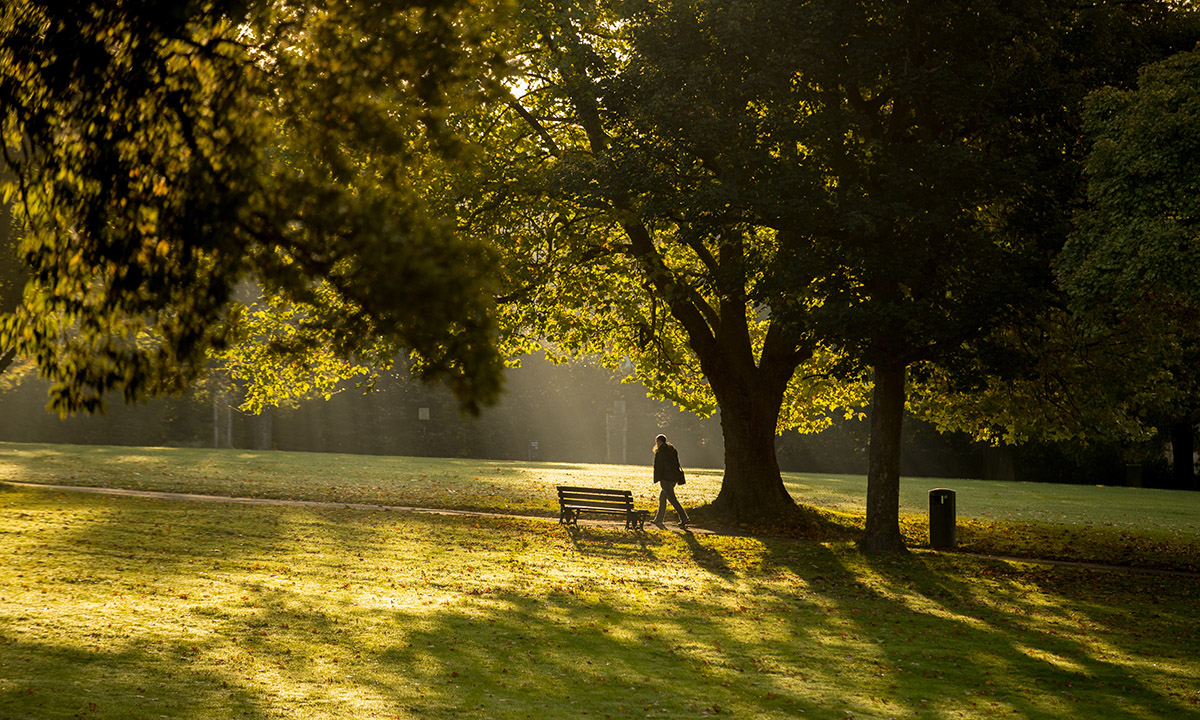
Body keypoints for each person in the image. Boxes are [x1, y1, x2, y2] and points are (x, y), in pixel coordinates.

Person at [652, 434, 690, 528]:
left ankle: (684, 517)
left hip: (665, 479)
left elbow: (658, 467)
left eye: (657, 441)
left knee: (672, 499)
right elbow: (676, 463)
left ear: (659, 441)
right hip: (673, 478)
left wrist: (657, 478)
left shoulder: (660, 452)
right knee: (662, 497)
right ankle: (658, 519)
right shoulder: (672, 450)